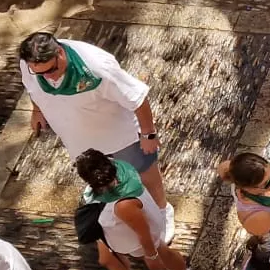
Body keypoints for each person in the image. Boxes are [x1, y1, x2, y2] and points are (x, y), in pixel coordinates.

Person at [17, 30, 167, 206]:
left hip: (120, 137)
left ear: (60, 52)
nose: (48, 77)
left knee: (145, 173)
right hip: (80, 143)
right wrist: (37, 111)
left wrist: (148, 134)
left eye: (51, 69)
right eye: (40, 73)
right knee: (103, 182)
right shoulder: (30, 65)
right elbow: (32, 88)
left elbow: (138, 98)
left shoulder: (98, 68)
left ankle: (162, 211)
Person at [78, 149, 200, 270]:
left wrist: (151, 255)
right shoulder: (119, 167)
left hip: (134, 234)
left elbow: (143, 231)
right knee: (106, 259)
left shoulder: (123, 205)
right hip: (114, 231)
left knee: (163, 252)